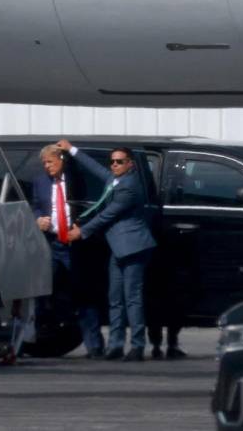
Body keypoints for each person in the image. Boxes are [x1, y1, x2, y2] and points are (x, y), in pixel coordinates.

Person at [60, 140, 156, 362]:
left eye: (119, 162)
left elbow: (107, 215)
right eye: (112, 161)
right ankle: (115, 345)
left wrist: (81, 231)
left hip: (133, 248)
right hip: (117, 248)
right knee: (114, 298)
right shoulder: (115, 179)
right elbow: (95, 168)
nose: (114, 165)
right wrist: (72, 149)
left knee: (132, 298)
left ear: (130, 164)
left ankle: (138, 346)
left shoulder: (129, 186)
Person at [31, 144, 105, 359]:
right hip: (50, 242)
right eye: (44, 163)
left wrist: (81, 226)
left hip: (74, 243)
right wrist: (37, 219)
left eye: (50, 162)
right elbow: (35, 205)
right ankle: (35, 341)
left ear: (61, 160)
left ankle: (95, 347)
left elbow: (92, 204)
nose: (47, 167)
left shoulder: (76, 180)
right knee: (42, 292)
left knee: (83, 293)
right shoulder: (39, 181)